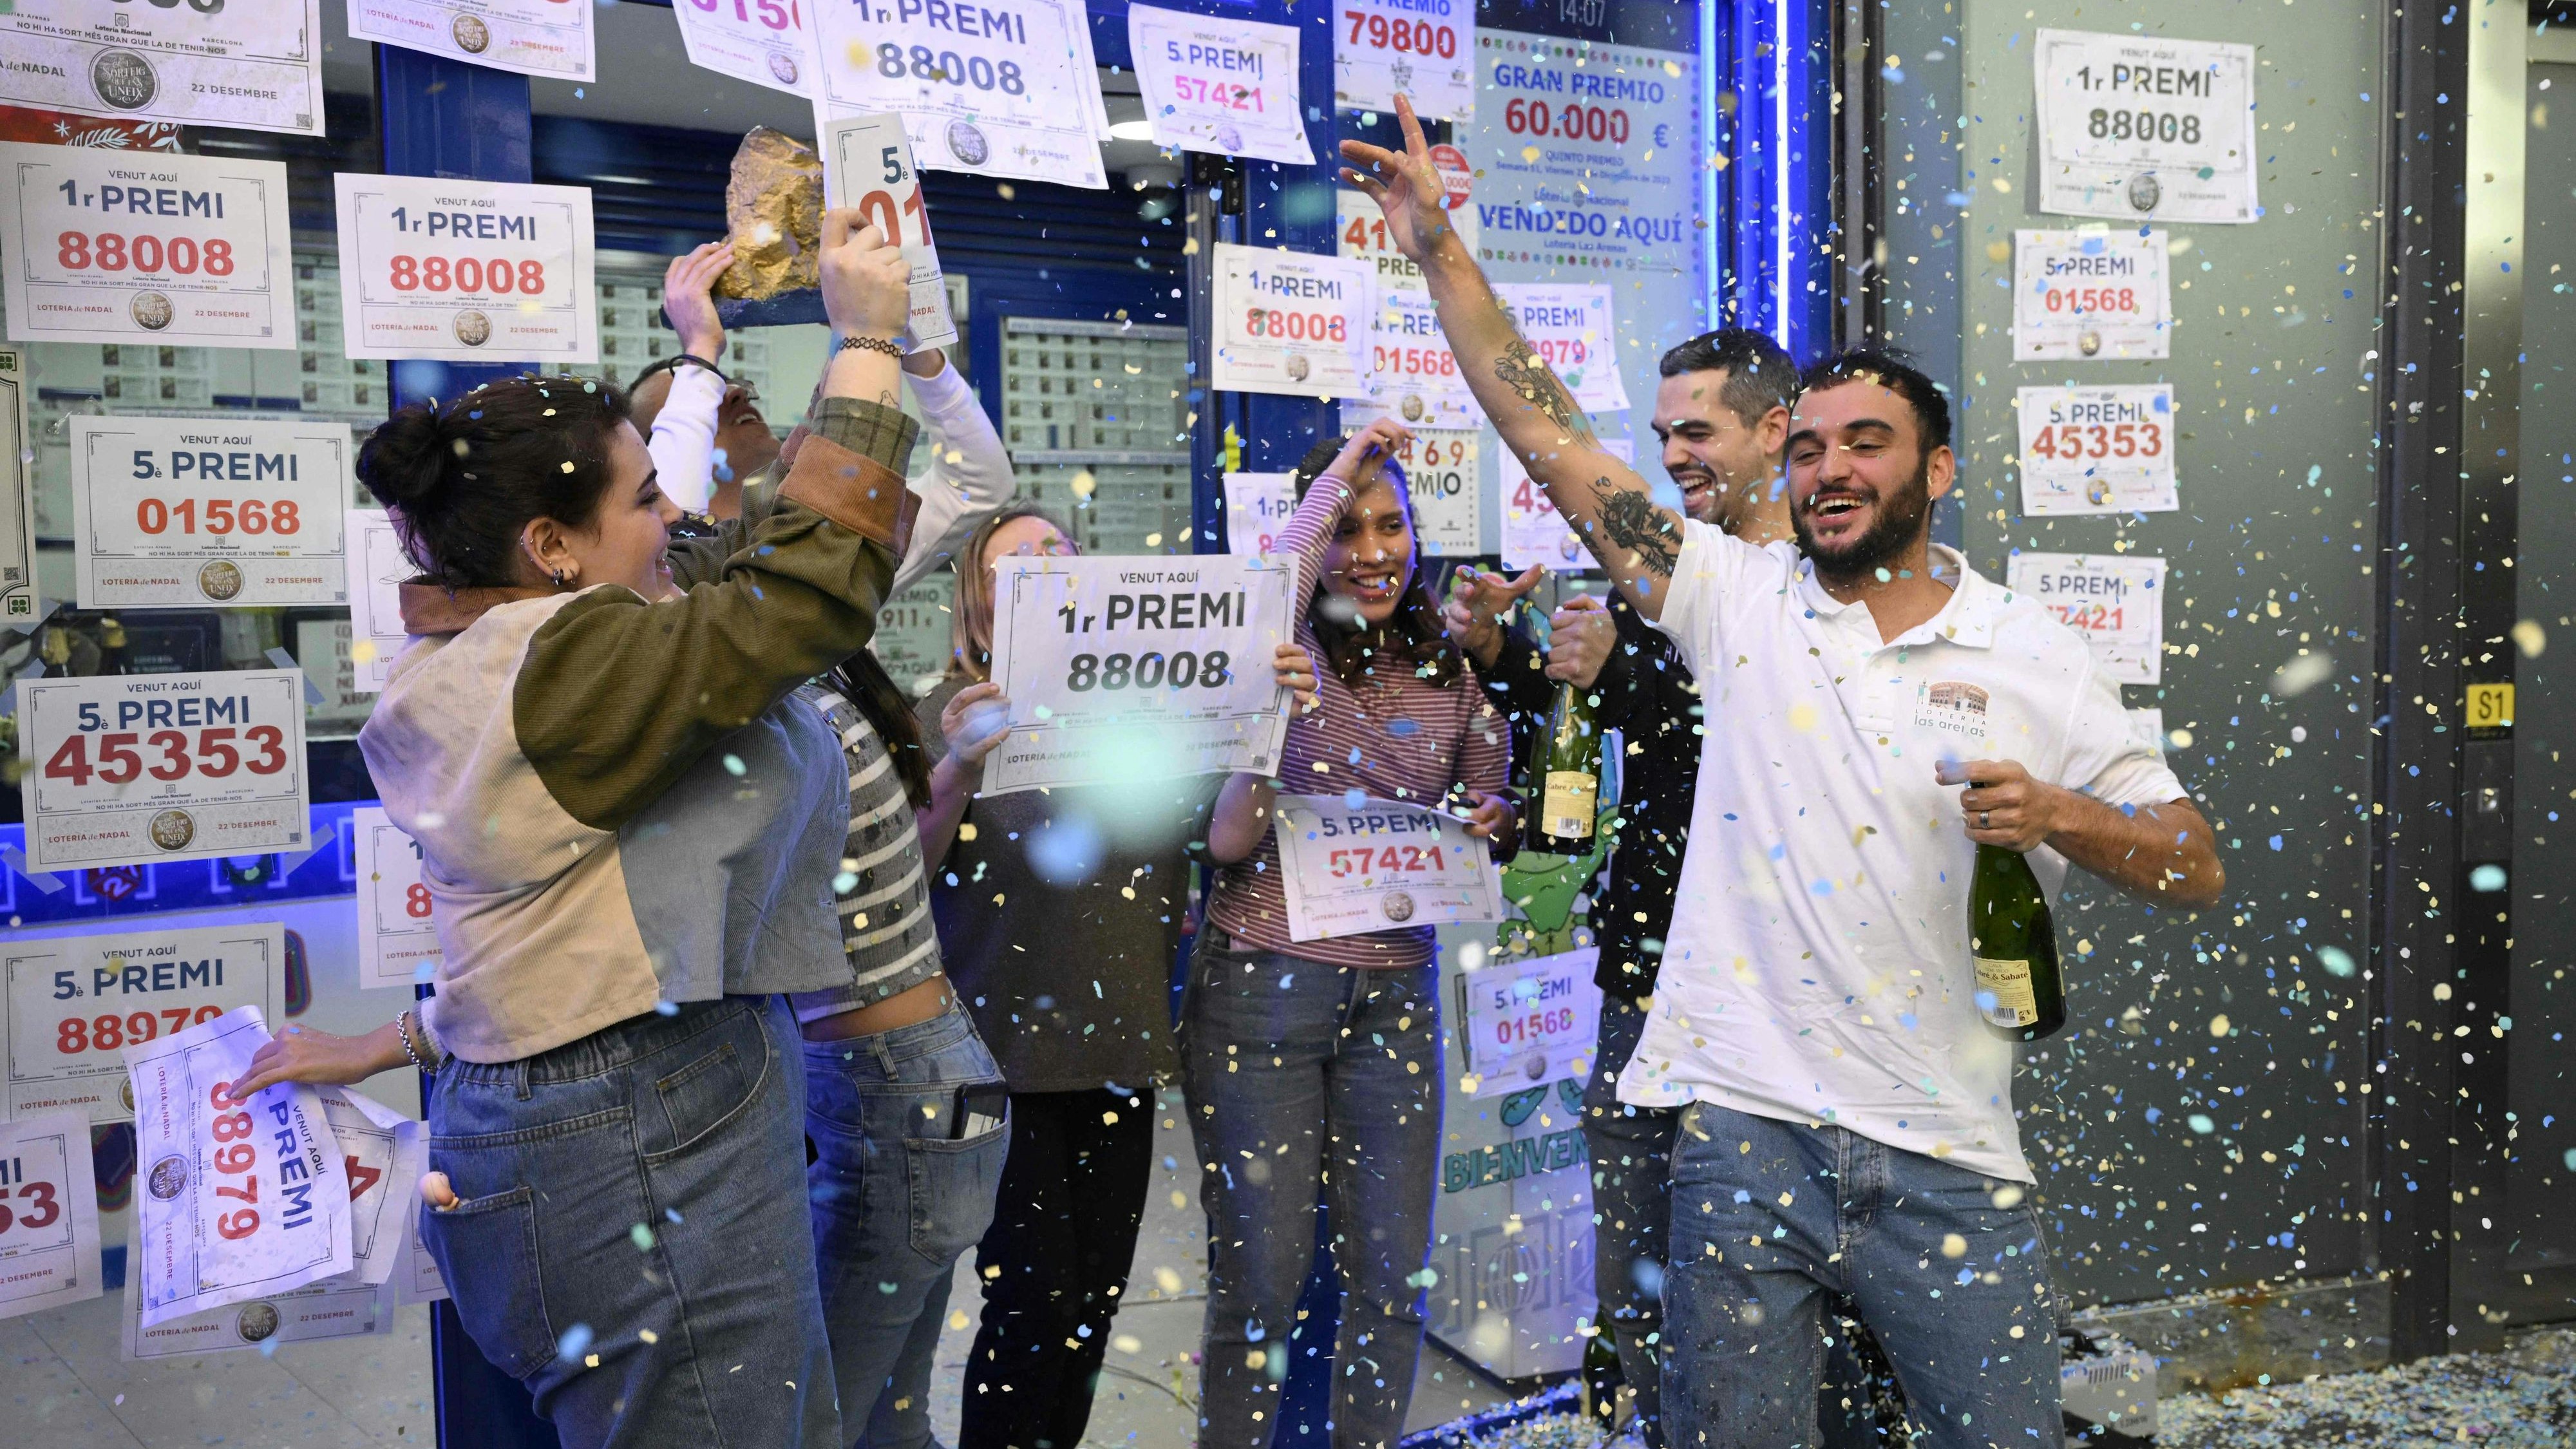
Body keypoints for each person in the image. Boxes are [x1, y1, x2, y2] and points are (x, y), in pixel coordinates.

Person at [1343, 98, 2224, 1446]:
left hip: (1946, 1156)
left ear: (1935, 468)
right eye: (1804, 446)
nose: (1826, 470)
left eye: (1862, 444)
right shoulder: (1734, 600)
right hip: (1743, 1139)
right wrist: (1437, 251)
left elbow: (2190, 861)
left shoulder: (2033, 651)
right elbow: (1549, 439)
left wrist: (2053, 815)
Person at [223, 212, 922, 1448]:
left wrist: (699, 358)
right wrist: (865, 342)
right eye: (645, 495)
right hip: (642, 1136)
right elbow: (799, 594)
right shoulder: (568, 665)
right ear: (550, 548)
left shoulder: (492, 660)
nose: (676, 517)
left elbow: (555, 945)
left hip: (576, 1130)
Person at [1442, 327, 1801, 1449]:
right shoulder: (1656, 575)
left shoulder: (1812, 583)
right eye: (1661, 435)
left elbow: (1743, 740)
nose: (1675, 453)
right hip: (1645, 979)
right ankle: (1643, 1425)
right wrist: (1518, 655)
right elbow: (1589, 750)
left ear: (1775, 433)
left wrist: (1619, 673)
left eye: (1698, 431)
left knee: (1765, 1287)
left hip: (1778, 996)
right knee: (1635, 1265)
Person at [921, 505, 1317, 1449]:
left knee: (1092, 1305)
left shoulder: (1146, 715)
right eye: (1021, 562)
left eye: (1063, 552)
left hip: (1117, 1048)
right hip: (993, 1058)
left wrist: (1268, 725)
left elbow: (1226, 835)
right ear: (978, 608)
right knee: (1028, 1302)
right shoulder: (944, 707)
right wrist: (958, 762)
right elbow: (905, 859)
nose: (1052, 569)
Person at [659, 426, 1012, 1449]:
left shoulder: (785, 697)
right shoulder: (820, 676)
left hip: (895, 1092)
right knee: (889, 1425)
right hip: (925, 1081)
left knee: (819, 1427)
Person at [1189, 418, 1517, 1449]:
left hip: (1395, 995)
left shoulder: (1446, 668)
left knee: (1390, 1275)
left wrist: (1490, 818)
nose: (1371, 552)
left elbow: (1489, 789)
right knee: (1263, 1280)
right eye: (1349, 530)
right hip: (1263, 983)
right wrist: (1341, 467)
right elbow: (1286, 562)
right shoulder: (1281, 649)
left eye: (1393, 526)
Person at [630, 240, 780, 518]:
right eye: (701, 406)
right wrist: (701, 346)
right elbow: (671, 530)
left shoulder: (806, 532)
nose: (736, 393)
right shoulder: (665, 558)